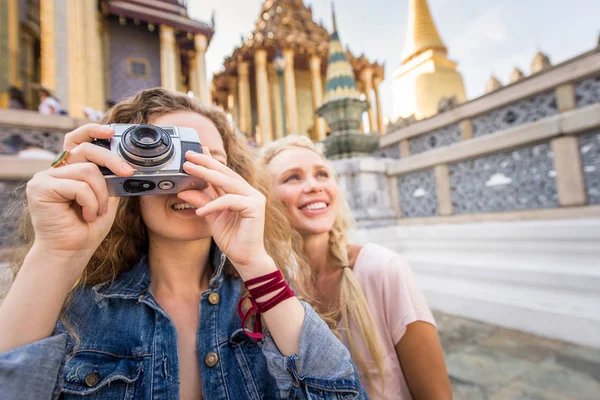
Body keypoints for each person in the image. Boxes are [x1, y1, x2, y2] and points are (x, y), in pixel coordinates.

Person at [0, 89, 366, 399]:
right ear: (124, 174)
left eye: (209, 161)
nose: (189, 178)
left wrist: (256, 262)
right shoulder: (76, 310)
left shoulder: (264, 302)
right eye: (165, 155)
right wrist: (55, 254)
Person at [260, 135, 453, 400]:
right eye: (292, 177)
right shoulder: (278, 288)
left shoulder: (383, 269)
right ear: (266, 201)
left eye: (322, 174)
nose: (314, 186)